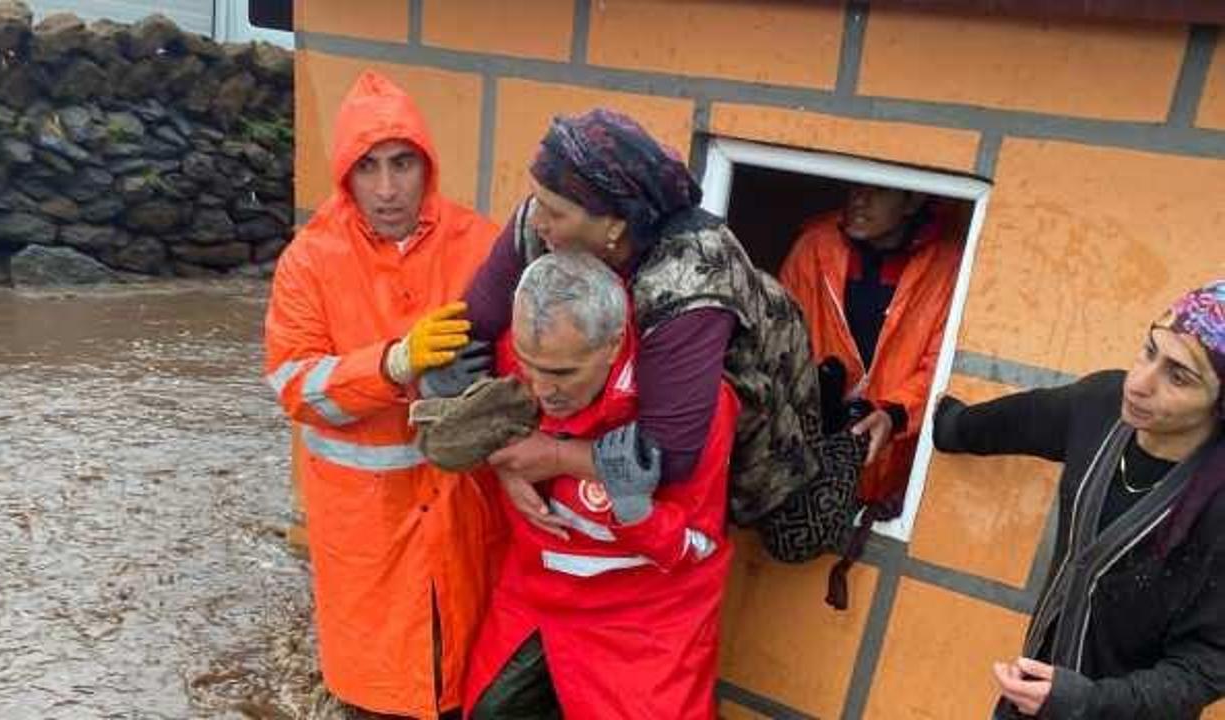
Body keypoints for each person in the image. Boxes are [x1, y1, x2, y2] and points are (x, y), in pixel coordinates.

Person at [460, 108, 824, 540]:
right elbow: (467, 338)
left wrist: (551, 457)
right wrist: (504, 454)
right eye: (537, 199)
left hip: (747, 440)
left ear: (615, 224)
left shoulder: (692, 274)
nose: (537, 219)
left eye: (554, 211)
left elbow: (668, 454)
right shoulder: (542, 226)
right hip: (609, 440)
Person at [263, 71, 501, 719]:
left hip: (465, 519)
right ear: (345, 174)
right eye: (368, 168)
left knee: (460, 681)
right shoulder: (309, 262)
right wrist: (394, 363)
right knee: (375, 694)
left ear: (427, 165)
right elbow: (295, 388)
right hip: (365, 533)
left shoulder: (480, 244)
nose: (388, 188)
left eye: (403, 164)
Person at [462, 252, 737, 719]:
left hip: (645, 614)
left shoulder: (688, 405)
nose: (542, 388)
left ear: (613, 345)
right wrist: (506, 464)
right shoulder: (523, 351)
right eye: (530, 365)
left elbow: (700, 546)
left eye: (563, 373)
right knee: (490, 712)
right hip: (537, 593)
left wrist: (636, 513)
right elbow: (456, 418)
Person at [932, 281, 1225, 718]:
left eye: (1178, 376)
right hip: (1028, 705)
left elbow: (1206, 665)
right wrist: (939, 424)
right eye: (1148, 351)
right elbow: (1009, 423)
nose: (1140, 383)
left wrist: (1084, 701)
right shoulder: (1100, 406)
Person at [779, 183, 962, 510]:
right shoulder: (814, 248)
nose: (859, 199)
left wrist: (894, 415)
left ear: (913, 200)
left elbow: (942, 365)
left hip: (893, 469)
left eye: (879, 188)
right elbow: (779, 340)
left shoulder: (947, 267)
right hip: (807, 450)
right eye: (855, 185)